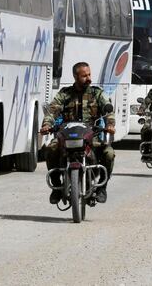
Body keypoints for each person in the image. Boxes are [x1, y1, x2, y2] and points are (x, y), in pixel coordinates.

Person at [41, 62, 115, 204]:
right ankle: (56, 186)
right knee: (51, 149)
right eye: (84, 76)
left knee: (109, 153)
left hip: (90, 134)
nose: (88, 78)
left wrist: (110, 124)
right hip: (67, 133)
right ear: (75, 76)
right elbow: (53, 111)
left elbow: (108, 111)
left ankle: (102, 188)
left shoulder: (97, 93)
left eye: (89, 75)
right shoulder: (64, 93)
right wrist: (46, 125)